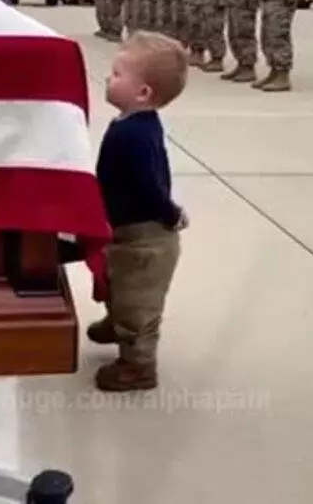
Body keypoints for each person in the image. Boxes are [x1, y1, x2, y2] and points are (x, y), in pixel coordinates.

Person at [88, 31, 189, 392]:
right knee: (118, 282)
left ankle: (138, 366)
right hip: (126, 230)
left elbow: (150, 189)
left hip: (146, 239)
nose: (107, 78)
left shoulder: (133, 135)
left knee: (138, 302)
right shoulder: (131, 124)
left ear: (143, 92)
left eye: (116, 74)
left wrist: (171, 214)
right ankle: (117, 321)